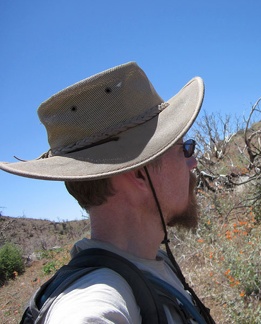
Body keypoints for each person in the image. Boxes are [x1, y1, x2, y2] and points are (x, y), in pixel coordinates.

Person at [0, 62, 215, 323]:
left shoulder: (149, 260)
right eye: (184, 148)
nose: (192, 162)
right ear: (138, 173)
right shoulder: (95, 304)